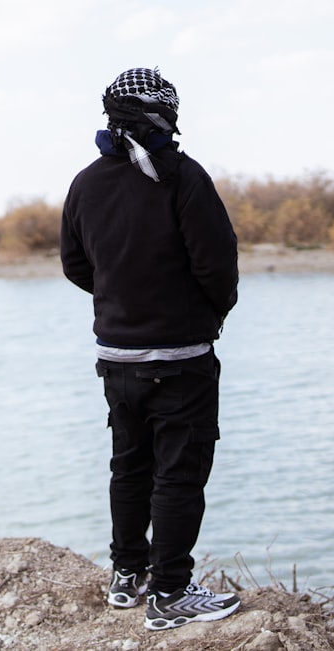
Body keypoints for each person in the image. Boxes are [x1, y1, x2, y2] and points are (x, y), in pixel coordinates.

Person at [60, 67, 241, 631]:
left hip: (117, 360)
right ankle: (169, 595)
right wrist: (205, 316)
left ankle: (127, 577)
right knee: (179, 475)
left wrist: (122, 302)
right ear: (165, 113)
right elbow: (218, 267)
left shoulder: (85, 183)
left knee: (129, 466)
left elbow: (75, 265)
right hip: (181, 360)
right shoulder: (183, 178)